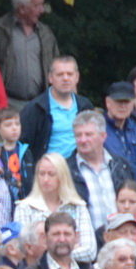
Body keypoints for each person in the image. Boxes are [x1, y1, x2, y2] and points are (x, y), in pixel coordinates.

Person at [17, 55, 89, 191]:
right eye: (60, 74)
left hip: (81, 173)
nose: (66, 78)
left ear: (77, 77)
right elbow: (24, 148)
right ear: (50, 78)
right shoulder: (35, 109)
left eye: (70, 74)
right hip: (49, 176)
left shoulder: (85, 106)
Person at [14, 151, 96, 265]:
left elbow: (90, 251)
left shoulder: (78, 207)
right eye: (42, 174)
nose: (45, 179)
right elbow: (23, 249)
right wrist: (69, 250)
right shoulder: (24, 207)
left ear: (62, 176)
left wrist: (47, 253)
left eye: (51, 174)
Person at [0, 0, 58, 104]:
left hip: (40, 102)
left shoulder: (46, 33)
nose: (42, 10)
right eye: (36, 6)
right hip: (8, 102)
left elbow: (57, 66)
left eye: (42, 5)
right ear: (22, 8)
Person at [69, 108, 132, 232]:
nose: (82, 140)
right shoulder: (67, 170)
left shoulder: (122, 166)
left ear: (103, 136)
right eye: (78, 135)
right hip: (85, 242)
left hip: (121, 240)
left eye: (88, 134)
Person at [102, 81, 136, 195]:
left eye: (127, 102)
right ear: (108, 102)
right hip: (110, 197)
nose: (123, 106)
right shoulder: (98, 130)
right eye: (118, 101)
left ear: (133, 104)